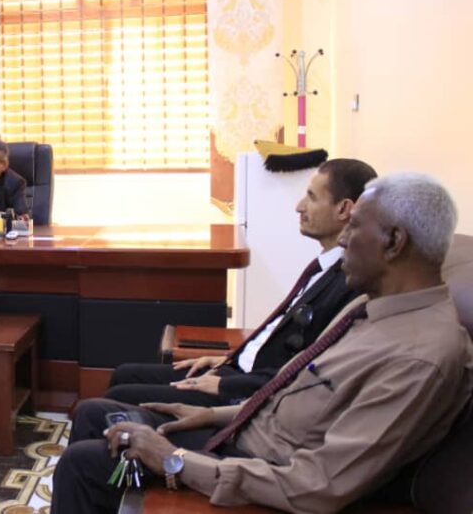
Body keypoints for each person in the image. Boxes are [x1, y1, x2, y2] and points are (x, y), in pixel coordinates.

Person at [53, 173, 473, 514]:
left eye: (356, 226)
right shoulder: (369, 305)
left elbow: (319, 485)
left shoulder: (420, 359)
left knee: (83, 465)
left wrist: (173, 460)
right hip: (244, 434)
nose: (344, 239)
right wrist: (212, 415)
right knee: (95, 414)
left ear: (394, 241)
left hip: (263, 472)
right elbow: (299, 393)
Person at [106, 159, 377, 407]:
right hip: (241, 369)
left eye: (312, 197)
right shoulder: (324, 268)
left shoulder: (350, 282)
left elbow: (305, 368)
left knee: (117, 399)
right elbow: (278, 336)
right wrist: (234, 357)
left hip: (250, 390)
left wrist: (226, 384)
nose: (299, 206)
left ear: (343, 209)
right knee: (125, 374)